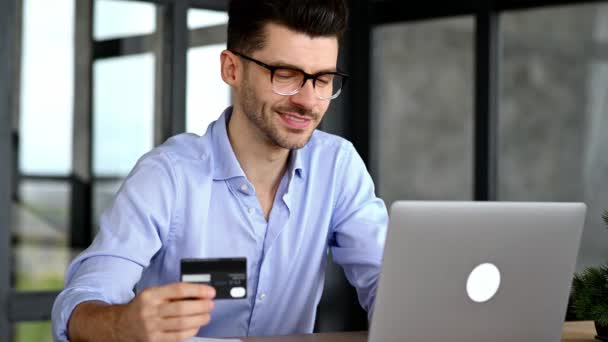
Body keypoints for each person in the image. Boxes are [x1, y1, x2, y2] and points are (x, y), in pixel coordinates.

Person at [51, 0, 388, 340]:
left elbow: (386, 283)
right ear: (231, 69)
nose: (308, 100)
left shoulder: (337, 166)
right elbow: (83, 302)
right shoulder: (167, 175)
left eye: (323, 80)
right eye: (286, 75)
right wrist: (122, 325)